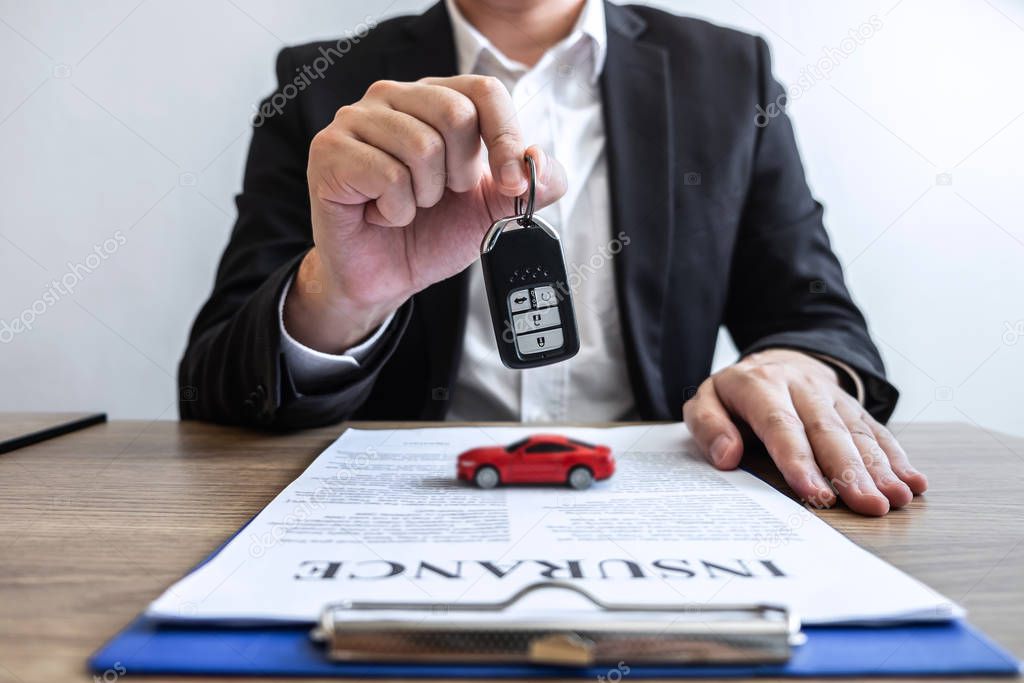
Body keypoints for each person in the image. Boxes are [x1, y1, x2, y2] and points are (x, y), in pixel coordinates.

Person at [180, 0, 928, 516]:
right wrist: (343, 295)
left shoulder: (731, 74)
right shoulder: (323, 87)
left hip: (670, 508)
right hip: (403, 514)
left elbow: (816, 316)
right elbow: (215, 387)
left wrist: (794, 365)